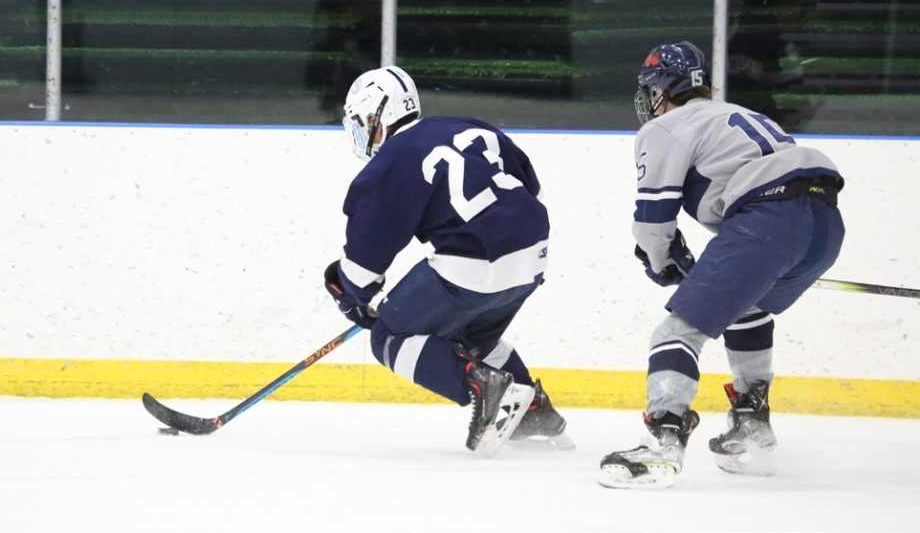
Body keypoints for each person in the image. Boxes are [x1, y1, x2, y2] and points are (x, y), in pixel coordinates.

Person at [598, 42, 845, 489]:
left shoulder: (666, 127)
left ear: (661, 90)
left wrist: (662, 261)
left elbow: (654, 221)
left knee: (676, 331)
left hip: (770, 220)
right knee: (747, 310)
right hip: (825, 223)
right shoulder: (740, 114)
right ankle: (752, 427)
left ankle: (662, 443)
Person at [321, 65, 571, 457]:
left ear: (376, 117)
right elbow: (528, 183)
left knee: (386, 335)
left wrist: (348, 290)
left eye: (358, 124)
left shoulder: (392, 158)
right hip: (533, 256)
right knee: (471, 339)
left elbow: (367, 256)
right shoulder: (466, 125)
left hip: (475, 263)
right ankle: (533, 412)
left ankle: (483, 386)